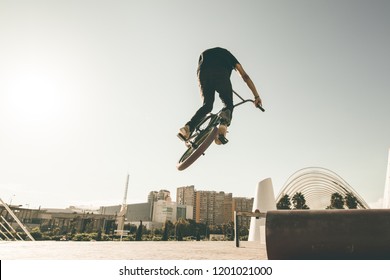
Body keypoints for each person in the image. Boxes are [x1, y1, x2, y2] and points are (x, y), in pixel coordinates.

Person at [178, 47, 262, 145]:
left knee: (207, 105)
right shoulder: (230, 57)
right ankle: (223, 125)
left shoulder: (209, 53)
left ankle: (187, 128)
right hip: (220, 72)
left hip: (202, 72)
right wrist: (256, 96)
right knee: (228, 104)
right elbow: (245, 76)